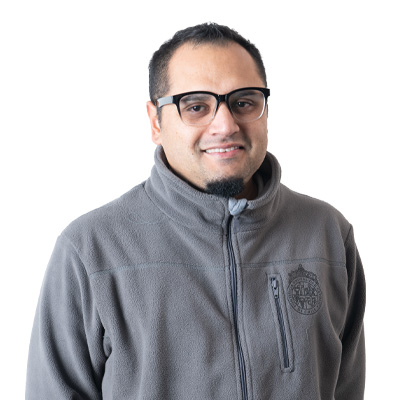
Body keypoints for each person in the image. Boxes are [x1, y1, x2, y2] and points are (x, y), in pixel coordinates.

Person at [26, 22, 366, 399]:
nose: (225, 125)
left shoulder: (328, 234)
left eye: (244, 102)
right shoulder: (90, 250)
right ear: (156, 122)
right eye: (196, 106)